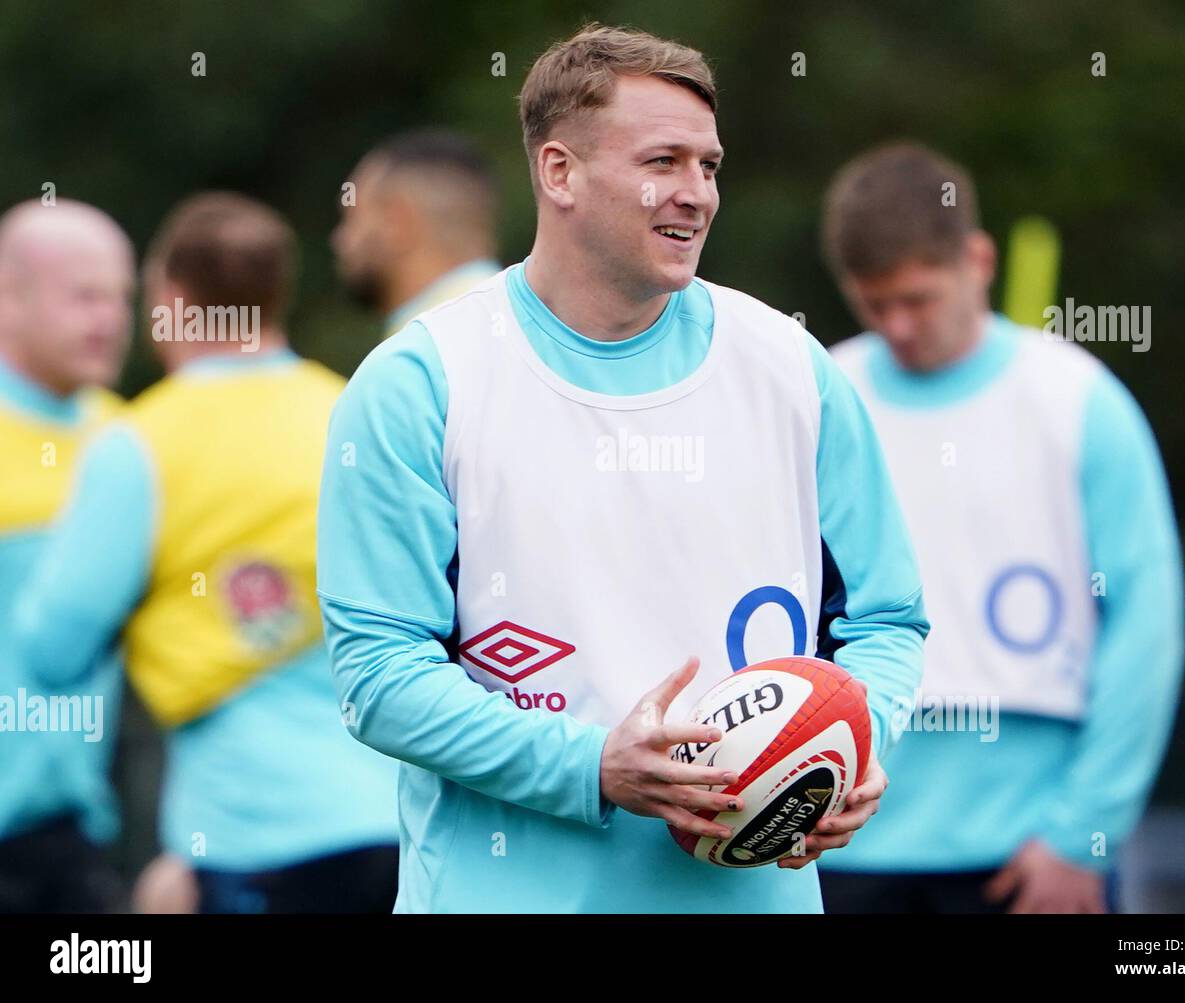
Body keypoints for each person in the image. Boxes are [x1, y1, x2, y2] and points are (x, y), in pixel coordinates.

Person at [317, 23, 929, 914]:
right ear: (558, 172)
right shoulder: (421, 383)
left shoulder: (793, 368)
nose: (696, 195)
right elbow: (377, 675)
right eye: (664, 162)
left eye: (710, 166)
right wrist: (591, 766)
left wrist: (849, 745)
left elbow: (889, 619)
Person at [816, 142, 1185, 913]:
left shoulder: (1081, 401)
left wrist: (1086, 833)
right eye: (873, 303)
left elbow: (1146, 631)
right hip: (835, 847)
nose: (898, 325)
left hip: (1029, 859)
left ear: (977, 259)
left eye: (918, 298)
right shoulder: (821, 395)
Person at [13, 193, 399, 913]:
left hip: (252, 835)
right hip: (400, 817)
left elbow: (52, 652)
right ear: (278, 293)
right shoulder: (355, 410)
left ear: (171, 300)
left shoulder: (138, 443)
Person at [0, 199, 133, 912]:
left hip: (74, 836)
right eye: (84, 295)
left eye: (120, 296)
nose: (109, 319)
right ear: (9, 297)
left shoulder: (127, 441)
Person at [333, 128, 501, 336]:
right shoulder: (525, 320)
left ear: (396, 222)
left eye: (352, 218)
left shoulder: (426, 348)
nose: (339, 240)